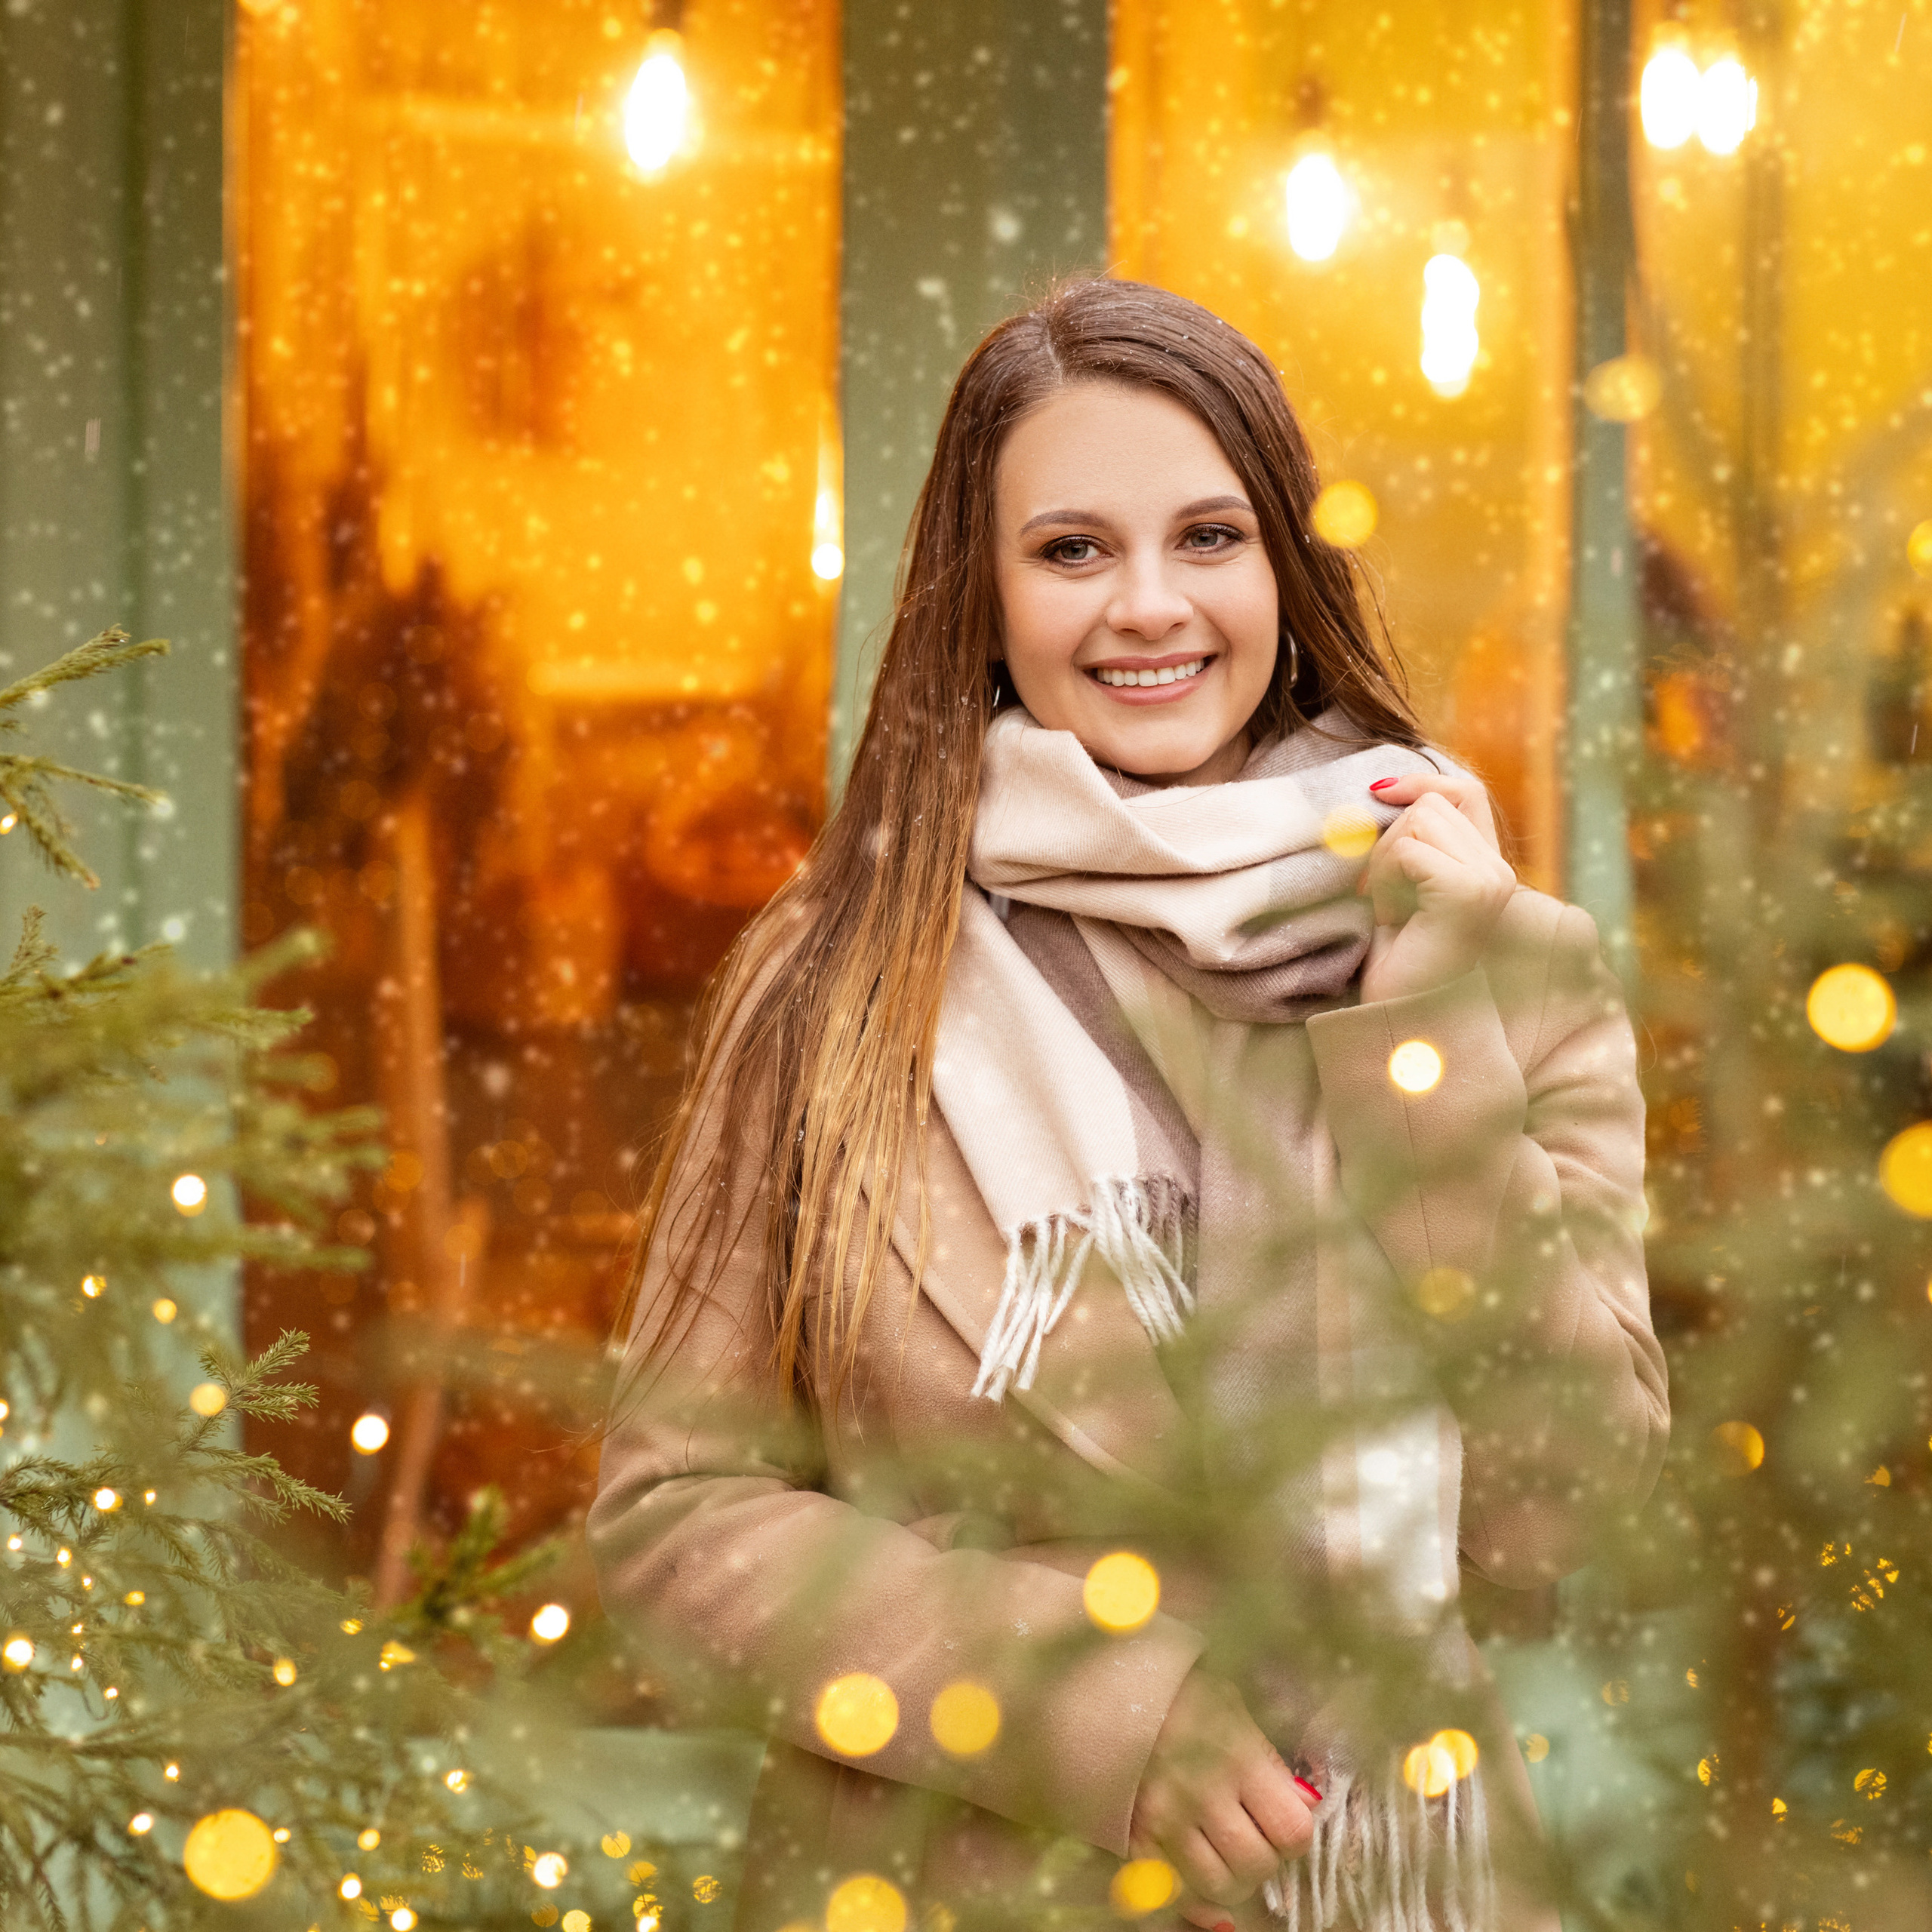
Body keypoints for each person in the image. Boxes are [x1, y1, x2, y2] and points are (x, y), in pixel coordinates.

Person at [589, 278, 1668, 1932]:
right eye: (1071, 549)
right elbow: (669, 1522)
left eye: (1209, 537)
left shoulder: (1492, 958)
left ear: (1283, 570)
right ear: (984, 590)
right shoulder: (836, 984)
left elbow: (1559, 1506)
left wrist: (1422, 1039)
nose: (1147, 607)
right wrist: (1091, 1711)